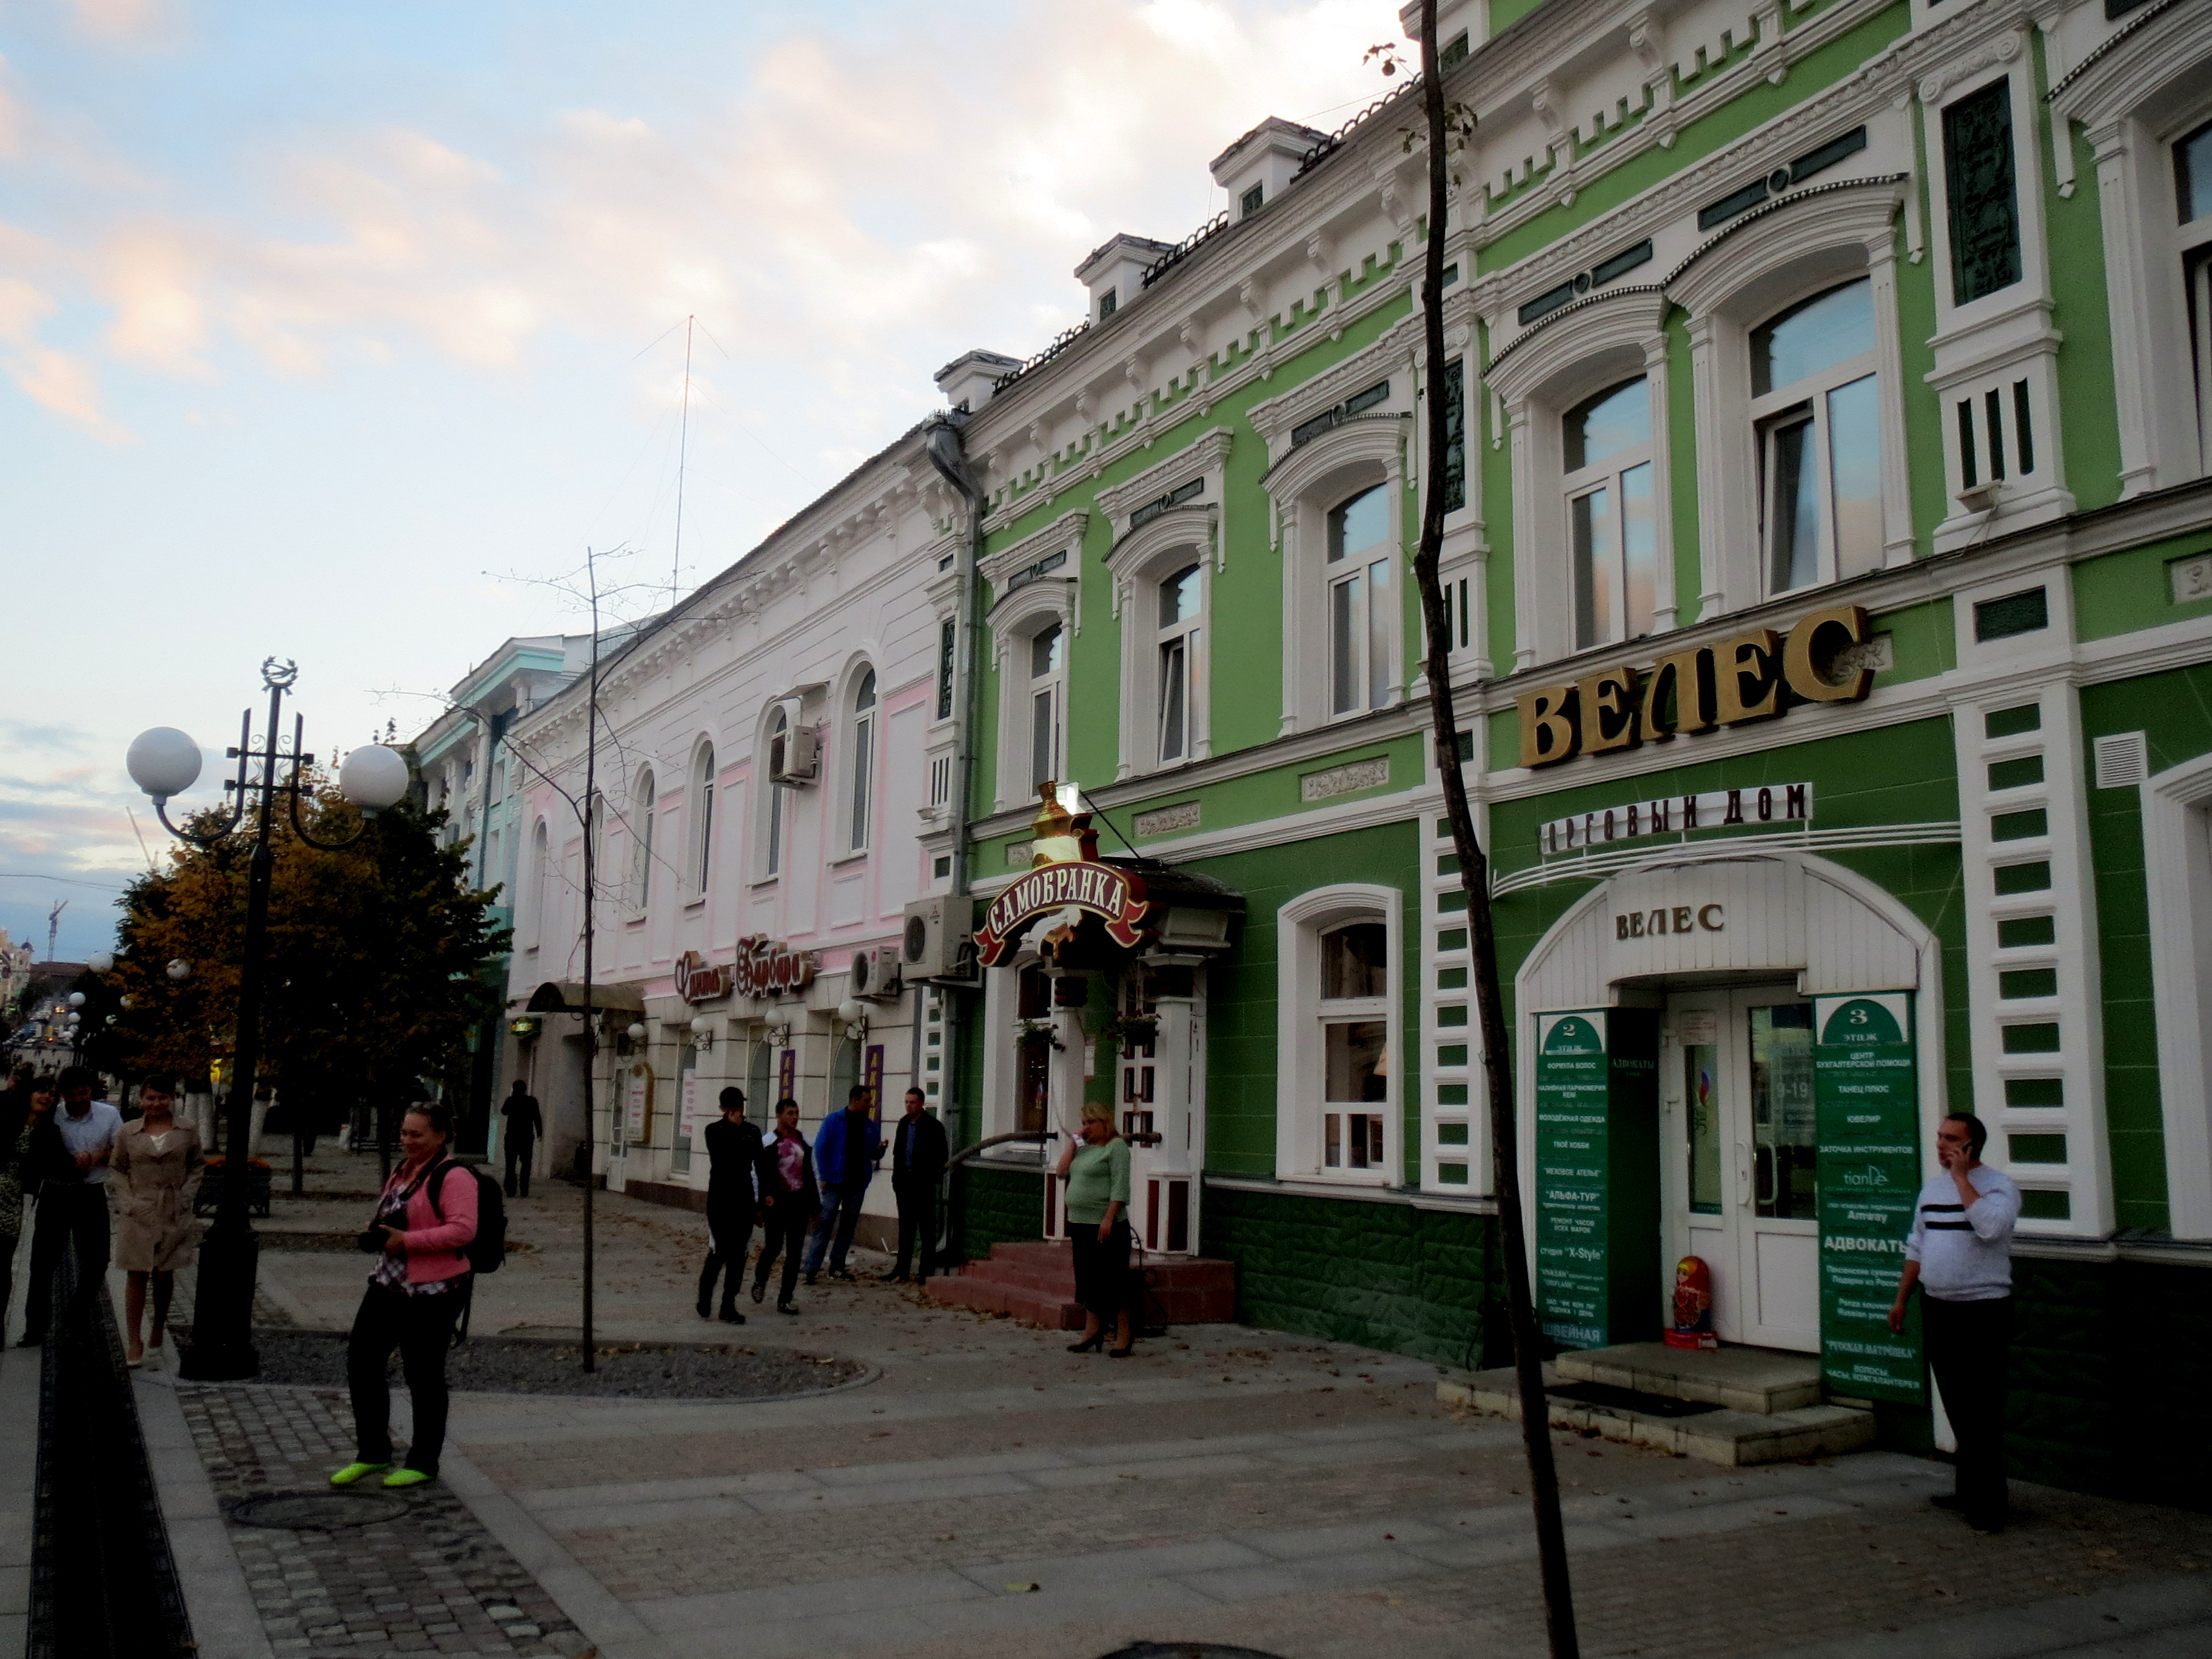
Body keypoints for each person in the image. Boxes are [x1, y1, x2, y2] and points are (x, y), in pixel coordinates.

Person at [330, 1102, 478, 1490]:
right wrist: (379, 1230)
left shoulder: (454, 1175)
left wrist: (407, 1241)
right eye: (404, 1133)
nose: (407, 1141)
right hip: (388, 1281)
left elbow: (464, 1231)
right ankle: (373, 1452)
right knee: (362, 1363)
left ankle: (423, 1461)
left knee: (423, 1374)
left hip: (433, 1290)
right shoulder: (404, 1169)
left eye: (417, 1134)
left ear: (441, 1135)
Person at [1890, 1110, 2021, 1533]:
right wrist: (1902, 1300)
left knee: (1981, 1406)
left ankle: (1988, 1503)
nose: (1942, 1145)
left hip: (1983, 1311)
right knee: (1957, 1405)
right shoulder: (1930, 1191)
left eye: (1952, 1139)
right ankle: (1971, 1489)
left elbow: (1991, 1230)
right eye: (1940, 1138)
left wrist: (1964, 1180)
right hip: (1940, 1308)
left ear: (1971, 1146)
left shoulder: (1999, 1188)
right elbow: (1917, 1245)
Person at [19, 1065, 122, 1346]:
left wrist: (94, 1157)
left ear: (91, 1090)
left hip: (90, 1194)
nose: (77, 1099)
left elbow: (122, 1151)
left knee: (98, 1260)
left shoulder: (109, 1115)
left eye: (83, 1093)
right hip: (55, 1193)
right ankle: (35, 1328)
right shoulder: (52, 1114)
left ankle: (75, 1315)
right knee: (42, 1265)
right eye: (71, 1095)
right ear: (62, 1094)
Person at [110, 1075, 205, 1368]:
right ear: (142, 1100)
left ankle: (157, 1330)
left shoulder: (187, 1130)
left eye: (162, 1098)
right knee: (136, 1274)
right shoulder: (128, 1132)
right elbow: (117, 1169)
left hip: (173, 1210)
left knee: (164, 1275)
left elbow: (196, 1165)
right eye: (150, 1098)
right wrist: (128, 1202)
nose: (156, 1103)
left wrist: (186, 1197)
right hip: (139, 1211)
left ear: (172, 1099)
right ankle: (134, 1339)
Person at [1057, 1103, 1135, 1357]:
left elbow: (1120, 1187)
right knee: (1088, 1279)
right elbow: (1061, 1172)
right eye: (1084, 1122)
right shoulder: (1084, 1148)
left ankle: (1124, 1333)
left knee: (1114, 1279)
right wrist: (1073, 1144)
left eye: (1091, 1123)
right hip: (1080, 1223)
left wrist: (1109, 1219)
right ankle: (1092, 1331)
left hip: (1106, 1225)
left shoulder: (1117, 1147)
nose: (1086, 1127)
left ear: (1104, 1123)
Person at [805, 1085, 883, 1282]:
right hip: (834, 1180)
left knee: (848, 1226)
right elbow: (820, 1149)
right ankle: (812, 1267)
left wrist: (880, 1150)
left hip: (857, 1182)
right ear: (855, 1100)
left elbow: (872, 1153)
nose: (869, 1104)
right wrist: (822, 1176)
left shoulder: (870, 1126)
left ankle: (837, 1265)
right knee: (825, 1223)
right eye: (866, 1100)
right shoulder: (835, 1120)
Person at [697, 1086, 762, 1323]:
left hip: (743, 1199)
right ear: (723, 1109)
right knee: (720, 1251)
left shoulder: (753, 1131)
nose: (738, 1111)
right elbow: (721, 1158)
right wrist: (734, 1130)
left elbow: (761, 1165)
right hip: (721, 1200)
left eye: (740, 1106)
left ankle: (728, 1306)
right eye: (732, 1107)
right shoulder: (714, 1131)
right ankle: (705, 1297)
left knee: (739, 1255)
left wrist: (762, 1200)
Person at [0, 1073, 54, 1339]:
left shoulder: (50, 1129)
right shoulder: (7, 1115)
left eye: (51, 1093)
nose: (45, 1097)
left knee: (2, 1265)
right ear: (30, 1094)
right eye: (41, 1091)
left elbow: (60, 1162)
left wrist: (93, 1156)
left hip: (12, 1201)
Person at [751, 1098, 817, 1315]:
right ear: (779, 1115)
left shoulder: (805, 1142)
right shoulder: (768, 1142)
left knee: (796, 1252)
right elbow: (758, 1175)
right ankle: (760, 1279)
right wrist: (760, 1203)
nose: (795, 1117)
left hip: (798, 1203)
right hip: (776, 1204)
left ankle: (785, 1298)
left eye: (797, 1113)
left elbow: (812, 1174)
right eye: (790, 1113)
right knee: (774, 1246)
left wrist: (816, 1207)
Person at [885, 1087, 948, 1284]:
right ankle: (901, 1269)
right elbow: (898, 1152)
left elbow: (941, 1155)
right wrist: (896, 1178)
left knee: (927, 1228)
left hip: (923, 1183)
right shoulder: (904, 1124)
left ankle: (926, 1271)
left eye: (912, 1102)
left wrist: (930, 1176)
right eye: (906, 1102)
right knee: (906, 1228)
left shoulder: (933, 1126)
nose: (908, 1106)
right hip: (904, 1182)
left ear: (921, 1103)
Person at [500, 1079, 542, 1199]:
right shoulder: (532, 1101)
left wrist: (511, 1097)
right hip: (526, 1136)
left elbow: (504, 1112)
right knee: (526, 1163)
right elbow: (537, 1117)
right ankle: (524, 1189)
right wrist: (539, 1132)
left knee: (510, 1164)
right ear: (525, 1089)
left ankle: (510, 1189)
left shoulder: (511, 1100)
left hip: (512, 1136)